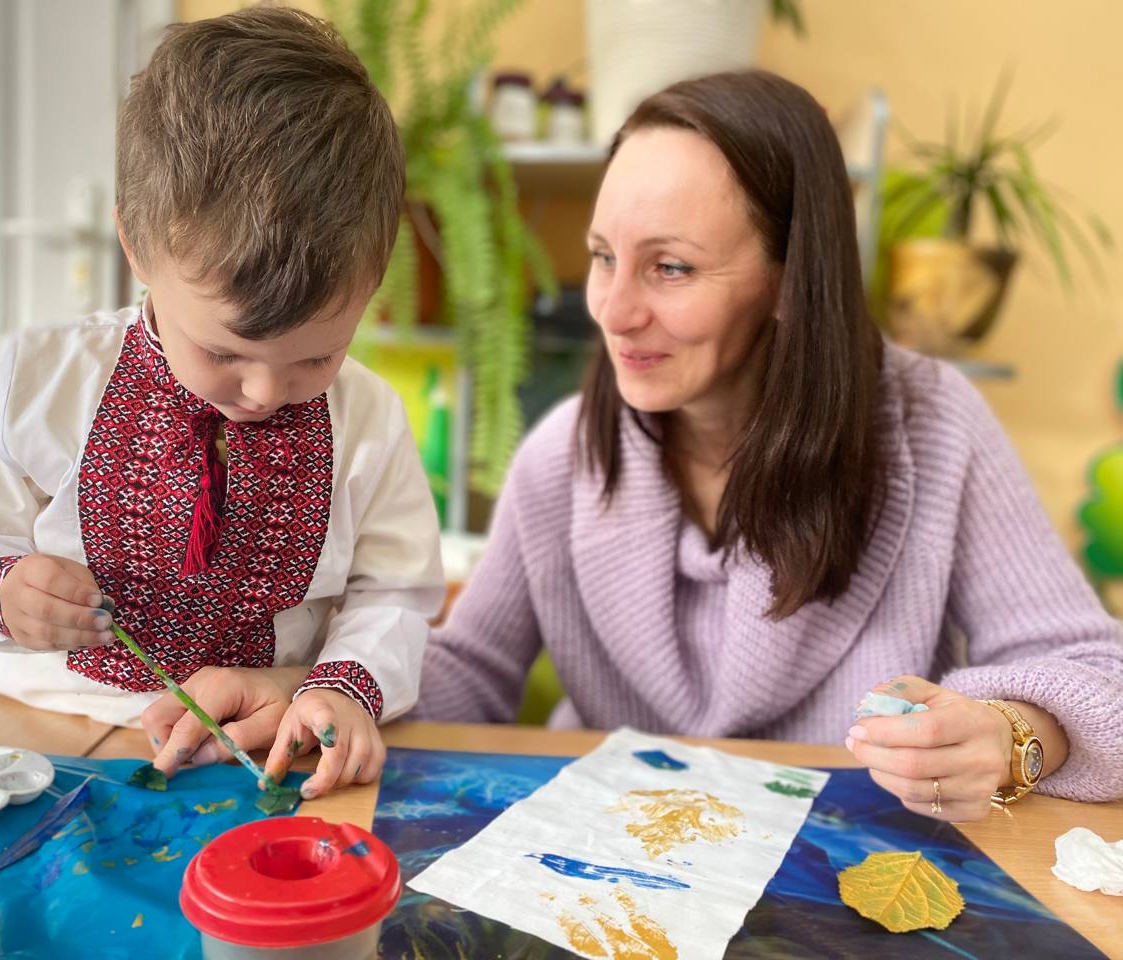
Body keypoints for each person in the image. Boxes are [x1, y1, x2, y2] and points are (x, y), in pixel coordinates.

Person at [414, 71, 1123, 819]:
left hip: (843, 850)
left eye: (671, 267)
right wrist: (344, 681)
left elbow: (1101, 676)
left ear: (792, 280)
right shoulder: (562, 455)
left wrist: (1013, 734)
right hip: (605, 847)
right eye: (602, 256)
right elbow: (471, 672)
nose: (613, 312)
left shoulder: (933, 424)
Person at [0, 5, 444, 801]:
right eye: (223, 353)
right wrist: (1, 590)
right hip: (44, 735)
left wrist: (346, 686)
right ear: (136, 248)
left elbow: (394, 592)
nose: (263, 393)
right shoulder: (36, 381)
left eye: (315, 357)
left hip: (271, 746)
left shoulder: (367, 420)